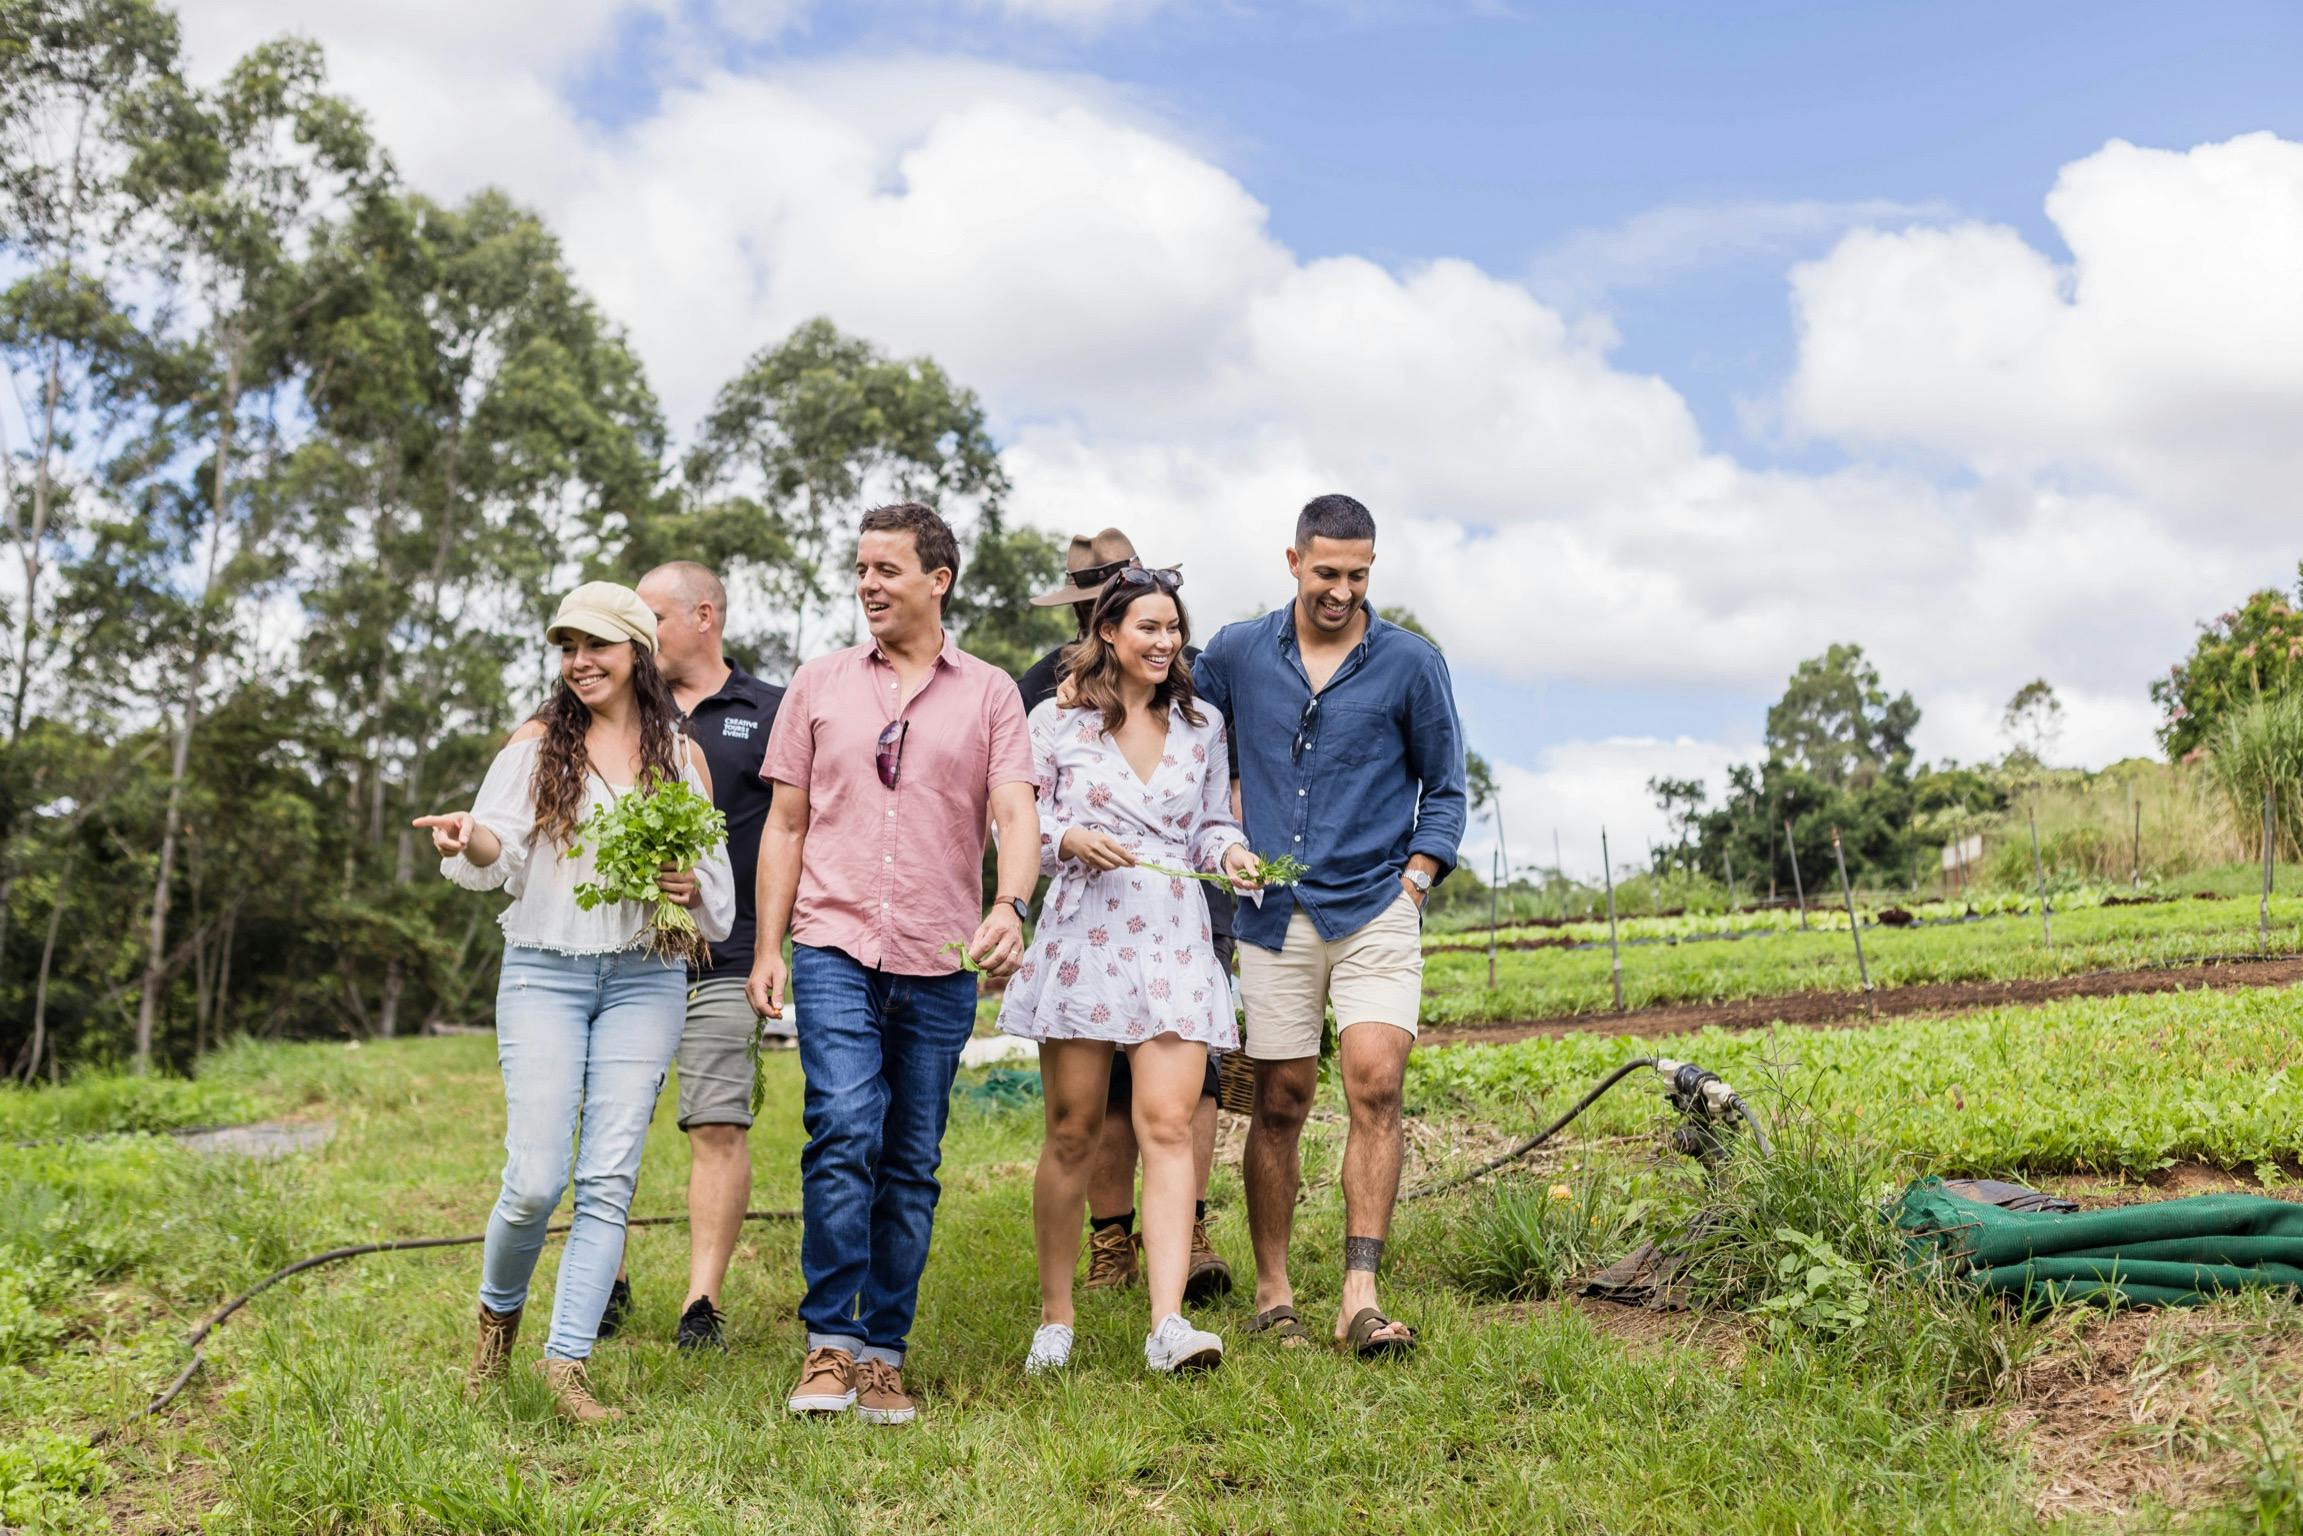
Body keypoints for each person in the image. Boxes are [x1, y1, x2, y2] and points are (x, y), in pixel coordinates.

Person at [747, 503, 1039, 1425]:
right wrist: (767, 946)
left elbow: (1016, 814)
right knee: (842, 1128)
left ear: (937, 579)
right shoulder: (819, 684)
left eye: (887, 569)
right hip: (831, 940)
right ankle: (828, 1344)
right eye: (861, 568)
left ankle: (883, 1351)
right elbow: (784, 824)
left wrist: (1010, 904)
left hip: (938, 953)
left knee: (910, 1159)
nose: (868, 583)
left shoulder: (989, 692)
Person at [416, 582, 734, 1423]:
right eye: (567, 648)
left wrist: (686, 884)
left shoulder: (681, 754)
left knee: (607, 1180)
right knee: (534, 1181)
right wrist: (465, 834)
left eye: (596, 645)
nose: (580, 662)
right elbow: (496, 847)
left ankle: (567, 1366)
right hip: (543, 974)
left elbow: (715, 892)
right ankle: (494, 1331)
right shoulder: (536, 746)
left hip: (645, 977)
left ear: (636, 653)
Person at [1193, 494, 1466, 1358]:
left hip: (1375, 907)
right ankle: (1274, 1293)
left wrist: (1415, 883)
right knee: (1278, 1101)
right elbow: (1184, 740)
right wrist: (1224, 832)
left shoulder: (1411, 664)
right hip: (1272, 913)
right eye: (1325, 573)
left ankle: (1359, 1296)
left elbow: (1446, 789)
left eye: (1356, 575)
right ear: (1292, 562)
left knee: (1375, 1084)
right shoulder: (1237, 652)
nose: (1340, 590)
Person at [999, 567, 1260, 1376]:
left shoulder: (1200, 722)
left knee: (1169, 1126)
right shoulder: (1055, 721)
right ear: (1107, 631)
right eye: (1148, 627)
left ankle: (1168, 1323)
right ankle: (1055, 1316)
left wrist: (1234, 855)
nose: (1165, 642)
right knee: (1074, 1130)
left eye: (1173, 628)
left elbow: (1211, 823)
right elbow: (1019, 822)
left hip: (1174, 934)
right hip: (1085, 934)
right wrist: (1065, 841)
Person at [590, 561, 786, 1353]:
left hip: (728, 953)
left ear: (704, 616)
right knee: (611, 1118)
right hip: (625, 951)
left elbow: (793, 830)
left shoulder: (772, 710)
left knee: (716, 1120)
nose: (635, 639)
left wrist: (774, 943)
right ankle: (609, 1276)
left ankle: (700, 1301)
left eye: (652, 620)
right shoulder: (614, 707)